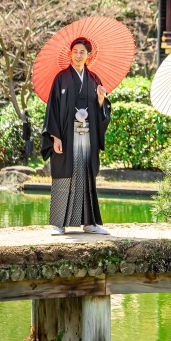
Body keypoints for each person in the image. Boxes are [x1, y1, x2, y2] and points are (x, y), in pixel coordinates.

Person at [41, 37, 112, 235]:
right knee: (64, 175)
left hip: (87, 135)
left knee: (86, 176)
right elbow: (52, 108)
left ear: (89, 55)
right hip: (65, 135)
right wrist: (55, 137)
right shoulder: (61, 78)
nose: (78, 55)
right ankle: (59, 224)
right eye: (75, 51)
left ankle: (89, 223)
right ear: (70, 54)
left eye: (82, 52)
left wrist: (100, 100)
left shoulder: (94, 79)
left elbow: (102, 111)